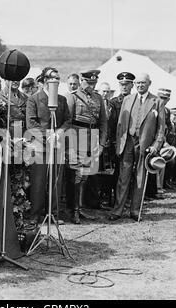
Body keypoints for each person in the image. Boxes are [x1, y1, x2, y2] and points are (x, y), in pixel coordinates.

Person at [109, 73, 166, 222]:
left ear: (149, 83)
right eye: (138, 83)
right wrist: (118, 144)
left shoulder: (157, 102)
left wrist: (156, 145)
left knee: (140, 177)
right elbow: (120, 125)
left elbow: (161, 128)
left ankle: (135, 210)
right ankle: (118, 210)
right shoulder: (128, 99)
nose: (140, 85)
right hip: (128, 141)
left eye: (143, 83)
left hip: (145, 144)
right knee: (123, 176)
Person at [26, 67, 71, 225]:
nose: (56, 81)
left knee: (56, 181)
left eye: (58, 78)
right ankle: (35, 215)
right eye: (53, 78)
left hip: (57, 145)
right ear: (44, 80)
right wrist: (46, 136)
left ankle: (54, 214)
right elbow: (31, 122)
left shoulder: (62, 100)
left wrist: (59, 132)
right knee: (38, 181)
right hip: (39, 147)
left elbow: (67, 120)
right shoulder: (34, 99)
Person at [65, 69, 107, 224]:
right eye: (88, 82)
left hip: (93, 138)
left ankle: (80, 208)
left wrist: (101, 143)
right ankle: (73, 210)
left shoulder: (99, 98)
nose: (91, 85)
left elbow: (103, 123)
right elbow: (67, 122)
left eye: (94, 83)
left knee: (85, 176)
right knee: (76, 176)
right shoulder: (73, 97)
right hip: (77, 137)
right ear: (82, 81)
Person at [107, 72, 134, 205]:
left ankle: (127, 198)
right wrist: (113, 141)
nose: (124, 87)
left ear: (132, 85)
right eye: (122, 84)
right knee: (116, 172)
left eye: (127, 84)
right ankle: (113, 200)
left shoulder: (136, 101)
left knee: (130, 172)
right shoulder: (113, 103)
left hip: (132, 141)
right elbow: (110, 124)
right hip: (117, 141)